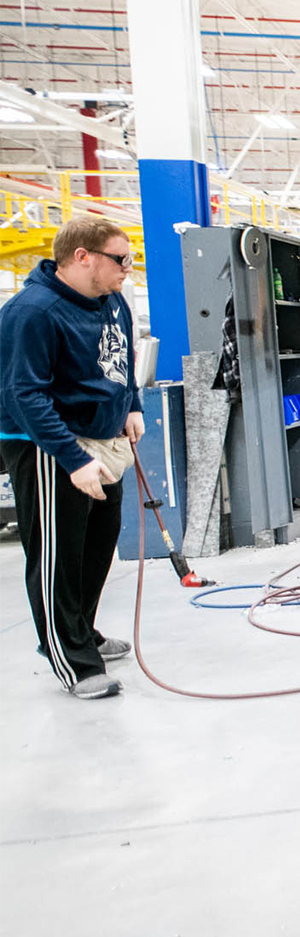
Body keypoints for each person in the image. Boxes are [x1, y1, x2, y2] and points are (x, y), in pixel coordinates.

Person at [0, 217, 143, 699]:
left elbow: (121, 362)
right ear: (83, 257)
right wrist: (71, 458)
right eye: (120, 259)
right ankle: (73, 662)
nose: (128, 268)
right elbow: (24, 394)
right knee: (57, 555)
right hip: (49, 445)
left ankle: (81, 633)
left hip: (103, 439)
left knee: (95, 549)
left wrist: (132, 406)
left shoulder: (113, 302)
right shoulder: (32, 312)